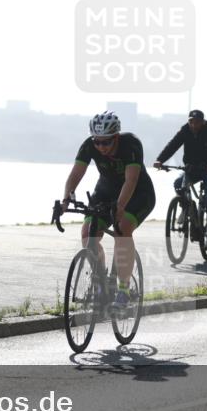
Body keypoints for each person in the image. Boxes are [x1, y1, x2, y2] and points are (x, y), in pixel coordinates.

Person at [61, 111, 155, 307]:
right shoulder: (89, 146)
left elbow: (131, 180)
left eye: (106, 142)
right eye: (97, 142)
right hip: (106, 190)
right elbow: (76, 173)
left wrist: (120, 207)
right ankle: (100, 283)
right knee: (88, 233)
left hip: (138, 193)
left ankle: (124, 290)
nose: (100, 147)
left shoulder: (131, 144)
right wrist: (66, 198)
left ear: (116, 137)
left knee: (123, 228)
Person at [153, 109, 207, 249]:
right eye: (191, 122)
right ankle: (186, 208)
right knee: (178, 184)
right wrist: (160, 159)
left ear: (203, 122)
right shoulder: (185, 130)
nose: (193, 125)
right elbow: (173, 145)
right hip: (192, 169)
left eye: (197, 122)